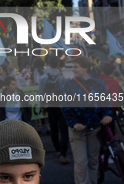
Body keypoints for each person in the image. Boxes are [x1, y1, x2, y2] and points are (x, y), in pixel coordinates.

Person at [62, 56, 113, 184]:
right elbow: (65, 107)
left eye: (76, 67)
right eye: (72, 67)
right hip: (77, 130)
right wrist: (74, 123)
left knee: (93, 160)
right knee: (81, 162)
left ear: (85, 67)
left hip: (95, 128)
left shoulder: (98, 84)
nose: (73, 70)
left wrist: (107, 115)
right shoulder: (68, 84)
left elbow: (105, 102)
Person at [38, 56, 69, 164]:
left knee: (53, 129)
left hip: (50, 105)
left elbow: (41, 93)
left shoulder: (43, 77)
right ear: (59, 65)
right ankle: (64, 153)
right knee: (64, 130)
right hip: (62, 106)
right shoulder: (63, 77)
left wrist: (43, 107)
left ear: (49, 64)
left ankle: (57, 150)